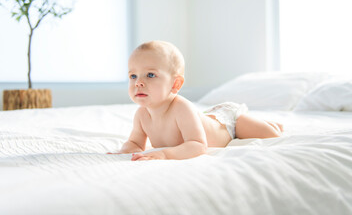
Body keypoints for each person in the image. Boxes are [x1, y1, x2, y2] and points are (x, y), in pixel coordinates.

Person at [115, 40, 283, 161]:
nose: (138, 82)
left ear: (176, 84)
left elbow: (197, 145)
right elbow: (135, 143)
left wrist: (165, 154)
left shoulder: (181, 108)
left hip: (228, 123)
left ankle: (271, 123)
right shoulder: (141, 115)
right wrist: (126, 151)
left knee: (272, 135)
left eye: (150, 75)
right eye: (133, 76)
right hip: (208, 116)